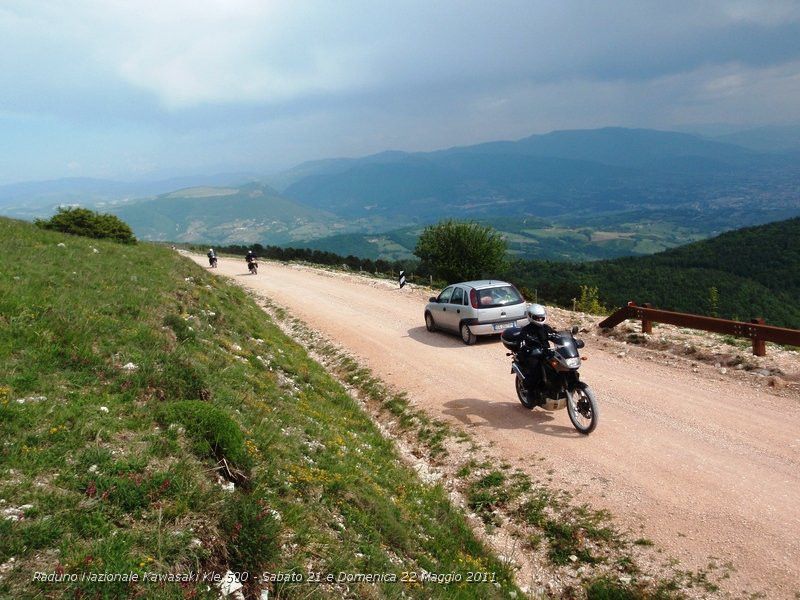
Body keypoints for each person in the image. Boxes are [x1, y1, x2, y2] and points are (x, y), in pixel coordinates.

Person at [519, 303, 557, 396]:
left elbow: (556, 336)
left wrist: (569, 339)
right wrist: (528, 348)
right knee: (535, 371)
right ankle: (531, 392)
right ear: (531, 316)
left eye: (541, 317)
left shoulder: (546, 328)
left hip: (546, 353)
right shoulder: (526, 330)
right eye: (537, 317)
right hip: (533, 354)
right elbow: (521, 343)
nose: (540, 319)